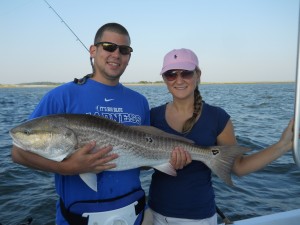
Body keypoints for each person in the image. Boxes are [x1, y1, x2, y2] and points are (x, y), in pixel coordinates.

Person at [11, 22, 188, 225]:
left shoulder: (139, 101)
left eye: (124, 50)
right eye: (109, 47)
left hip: (135, 215)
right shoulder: (60, 96)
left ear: (129, 57)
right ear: (93, 50)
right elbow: (18, 153)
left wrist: (167, 159)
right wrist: (67, 168)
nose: (116, 54)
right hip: (77, 219)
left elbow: (142, 162)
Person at [148, 48, 294, 225]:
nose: (179, 80)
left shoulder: (217, 117)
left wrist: (283, 145)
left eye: (186, 73)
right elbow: (139, 164)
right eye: (171, 74)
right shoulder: (152, 116)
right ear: (164, 79)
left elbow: (239, 167)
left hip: (198, 217)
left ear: (198, 74)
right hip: (154, 213)